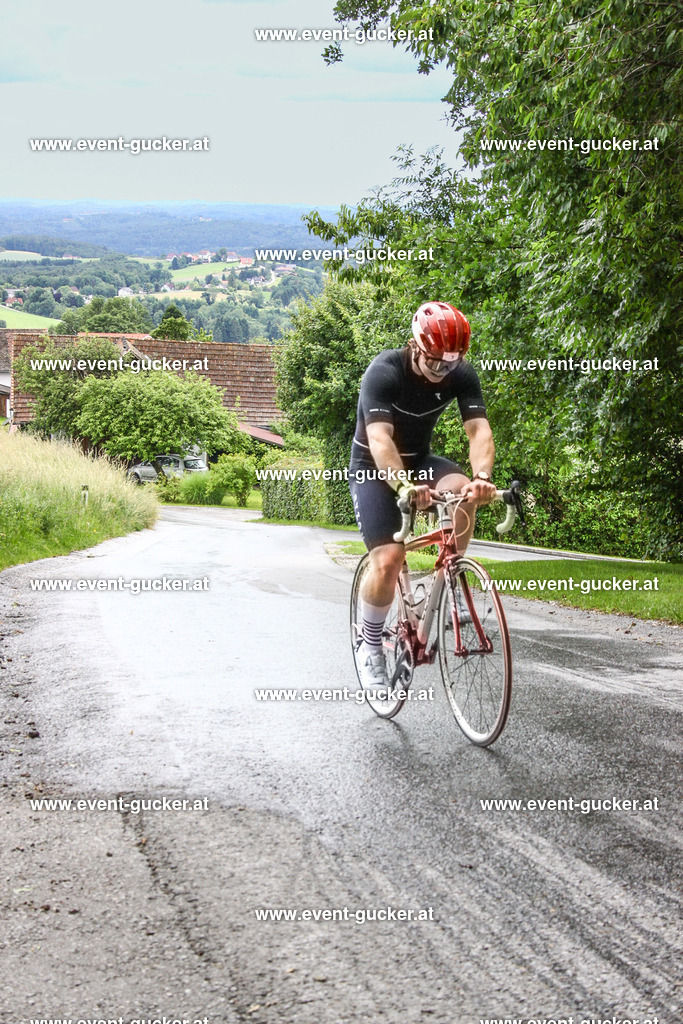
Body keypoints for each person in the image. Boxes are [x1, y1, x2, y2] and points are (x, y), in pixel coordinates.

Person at [349, 301, 497, 692]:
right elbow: (379, 439)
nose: (442, 372)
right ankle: (370, 644)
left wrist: (481, 478)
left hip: (422, 461)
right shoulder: (384, 372)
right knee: (390, 560)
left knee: (463, 493)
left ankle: (450, 579)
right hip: (375, 468)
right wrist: (402, 487)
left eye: (451, 364)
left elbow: (479, 431)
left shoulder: (460, 373)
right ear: (416, 347)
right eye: (435, 363)